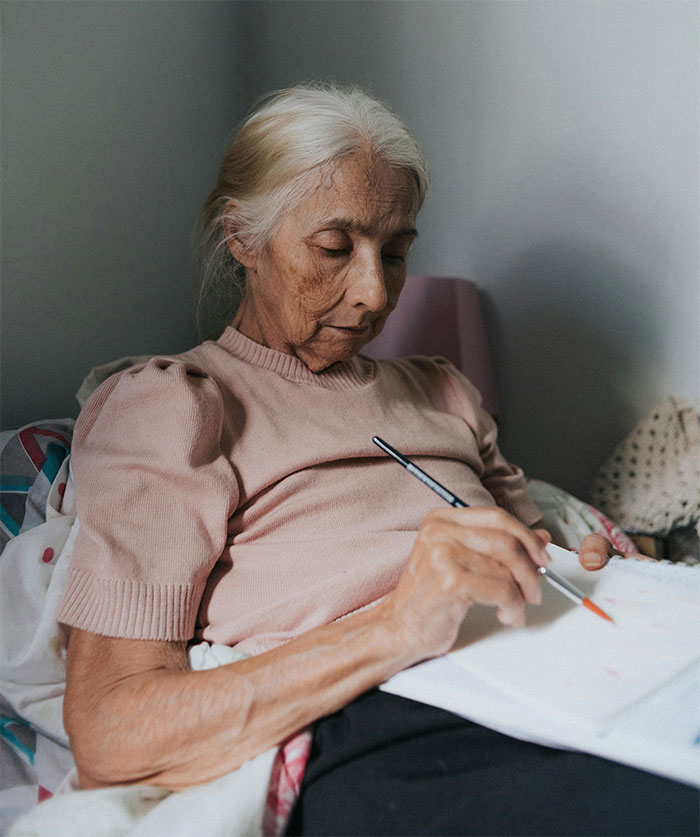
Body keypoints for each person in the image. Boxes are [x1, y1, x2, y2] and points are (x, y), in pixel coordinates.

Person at [59, 83, 697, 835]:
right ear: (242, 236)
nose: (374, 294)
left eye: (396, 252)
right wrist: (397, 624)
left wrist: (581, 567)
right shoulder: (180, 405)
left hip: (558, 678)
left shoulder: (442, 392)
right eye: (335, 248)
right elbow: (109, 734)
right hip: (386, 720)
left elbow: (538, 554)